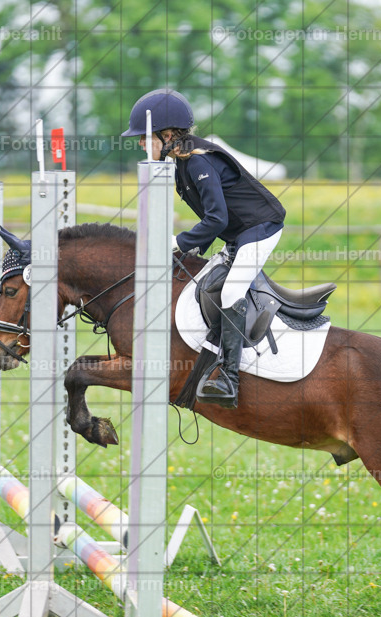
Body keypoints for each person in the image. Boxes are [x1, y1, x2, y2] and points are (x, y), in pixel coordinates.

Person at [121, 89, 286, 409]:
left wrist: (177, 244)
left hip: (262, 228)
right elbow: (217, 220)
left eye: (144, 137)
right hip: (239, 233)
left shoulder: (199, 161)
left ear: (167, 135)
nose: (141, 144)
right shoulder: (182, 161)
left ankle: (229, 378)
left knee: (230, 293)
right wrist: (191, 249)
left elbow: (216, 218)